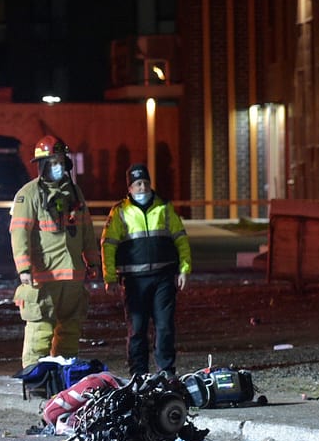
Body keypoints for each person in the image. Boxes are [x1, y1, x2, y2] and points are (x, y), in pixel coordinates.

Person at [10, 135, 101, 368]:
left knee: (70, 332)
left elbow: (86, 230)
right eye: (53, 161)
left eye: (61, 161)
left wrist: (92, 262)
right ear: (42, 165)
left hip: (72, 278)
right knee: (40, 330)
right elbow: (19, 234)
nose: (58, 166)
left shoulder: (75, 194)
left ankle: (62, 377)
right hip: (44, 278)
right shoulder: (28, 194)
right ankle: (36, 380)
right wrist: (24, 269)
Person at [101, 163, 192, 377]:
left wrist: (184, 269)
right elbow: (108, 244)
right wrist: (110, 276)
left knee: (165, 327)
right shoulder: (120, 211)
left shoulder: (164, 208)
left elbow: (180, 239)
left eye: (145, 183)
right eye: (137, 184)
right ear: (129, 189)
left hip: (163, 277)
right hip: (134, 281)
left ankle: (166, 371)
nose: (142, 187)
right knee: (137, 329)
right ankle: (138, 373)